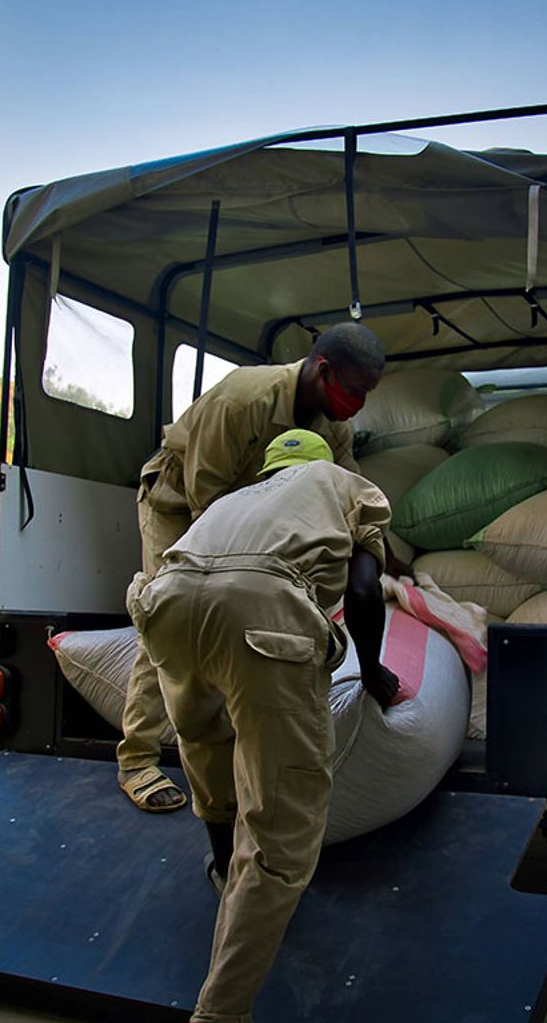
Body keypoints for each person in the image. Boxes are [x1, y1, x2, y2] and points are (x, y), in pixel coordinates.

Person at [127, 429, 399, 1023]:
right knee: (282, 832)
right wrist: (372, 668)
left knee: (205, 742)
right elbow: (362, 588)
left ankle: (227, 873)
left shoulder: (231, 500)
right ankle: (221, 1011)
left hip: (165, 605)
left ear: (268, 470)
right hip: (260, 613)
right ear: (325, 462)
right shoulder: (347, 485)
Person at [117, 323, 385, 814]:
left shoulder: (333, 424)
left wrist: (380, 550)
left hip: (251, 517)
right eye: (353, 390)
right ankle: (137, 760)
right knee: (166, 613)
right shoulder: (243, 400)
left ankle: (236, 732)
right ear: (323, 370)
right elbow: (206, 501)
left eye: (367, 394)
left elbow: (350, 494)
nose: (358, 405)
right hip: (180, 502)